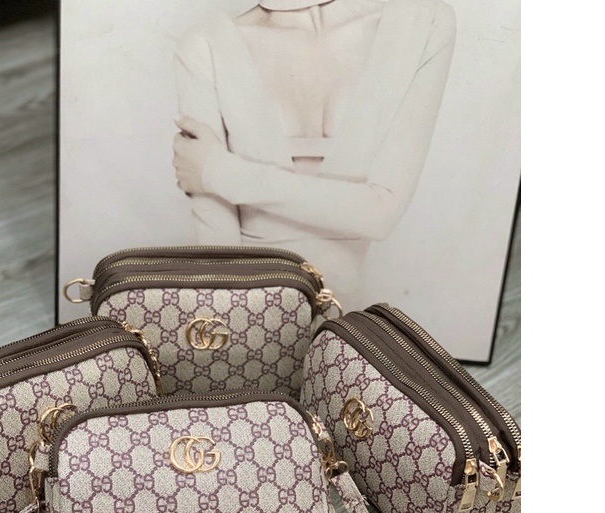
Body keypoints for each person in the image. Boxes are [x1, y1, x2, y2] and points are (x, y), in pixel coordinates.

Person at [172, 0, 455, 301]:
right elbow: (221, 265)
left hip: (350, 319)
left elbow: (381, 214)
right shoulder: (205, 45)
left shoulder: (423, 21)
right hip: (251, 316)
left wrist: (219, 172)